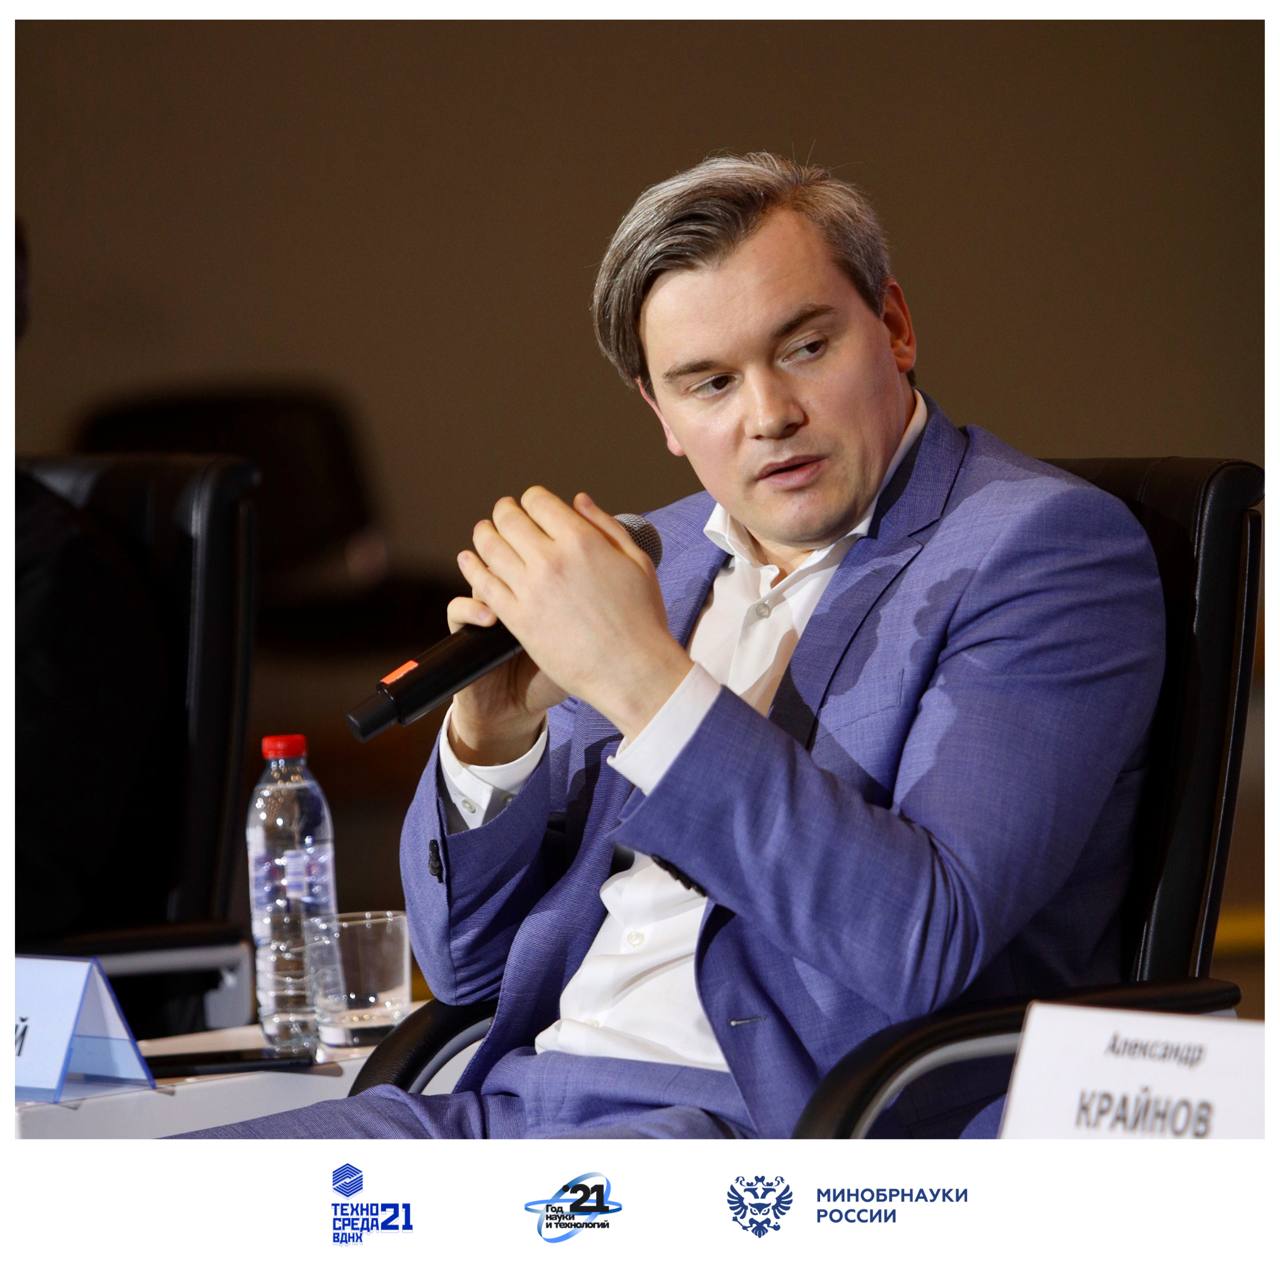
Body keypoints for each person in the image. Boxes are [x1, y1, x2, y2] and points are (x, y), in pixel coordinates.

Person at [184, 152, 1164, 1139]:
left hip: (761, 1133)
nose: (768, 415)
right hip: (511, 1110)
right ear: (660, 413)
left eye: (806, 347)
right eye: (709, 383)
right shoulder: (656, 555)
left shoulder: (1037, 550)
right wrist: (491, 740)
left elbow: (921, 939)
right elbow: (467, 966)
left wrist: (644, 679)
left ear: (894, 326)